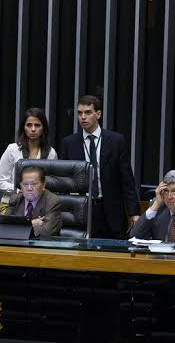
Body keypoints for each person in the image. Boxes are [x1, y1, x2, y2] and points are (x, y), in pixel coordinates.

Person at [60, 95, 139, 239]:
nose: (83, 117)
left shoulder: (116, 140)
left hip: (111, 209)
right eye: (80, 113)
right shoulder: (69, 143)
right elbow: (64, 180)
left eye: (88, 112)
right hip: (81, 209)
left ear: (98, 114)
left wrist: (134, 213)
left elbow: (127, 179)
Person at [0, 108, 58, 208]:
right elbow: (1, 183)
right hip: (12, 204)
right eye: (29, 125)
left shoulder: (51, 153)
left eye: (37, 125)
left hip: (40, 206)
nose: (33, 129)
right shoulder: (13, 149)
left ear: (43, 128)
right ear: (23, 128)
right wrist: (20, 190)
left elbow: (52, 183)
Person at [5, 165, 62, 237]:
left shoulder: (52, 201)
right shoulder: (15, 199)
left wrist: (17, 228)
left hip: (42, 246)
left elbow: (46, 232)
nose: (29, 188)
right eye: (25, 184)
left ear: (43, 184)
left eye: (34, 184)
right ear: (21, 185)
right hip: (16, 246)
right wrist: (31, 223)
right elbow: (5, 228)